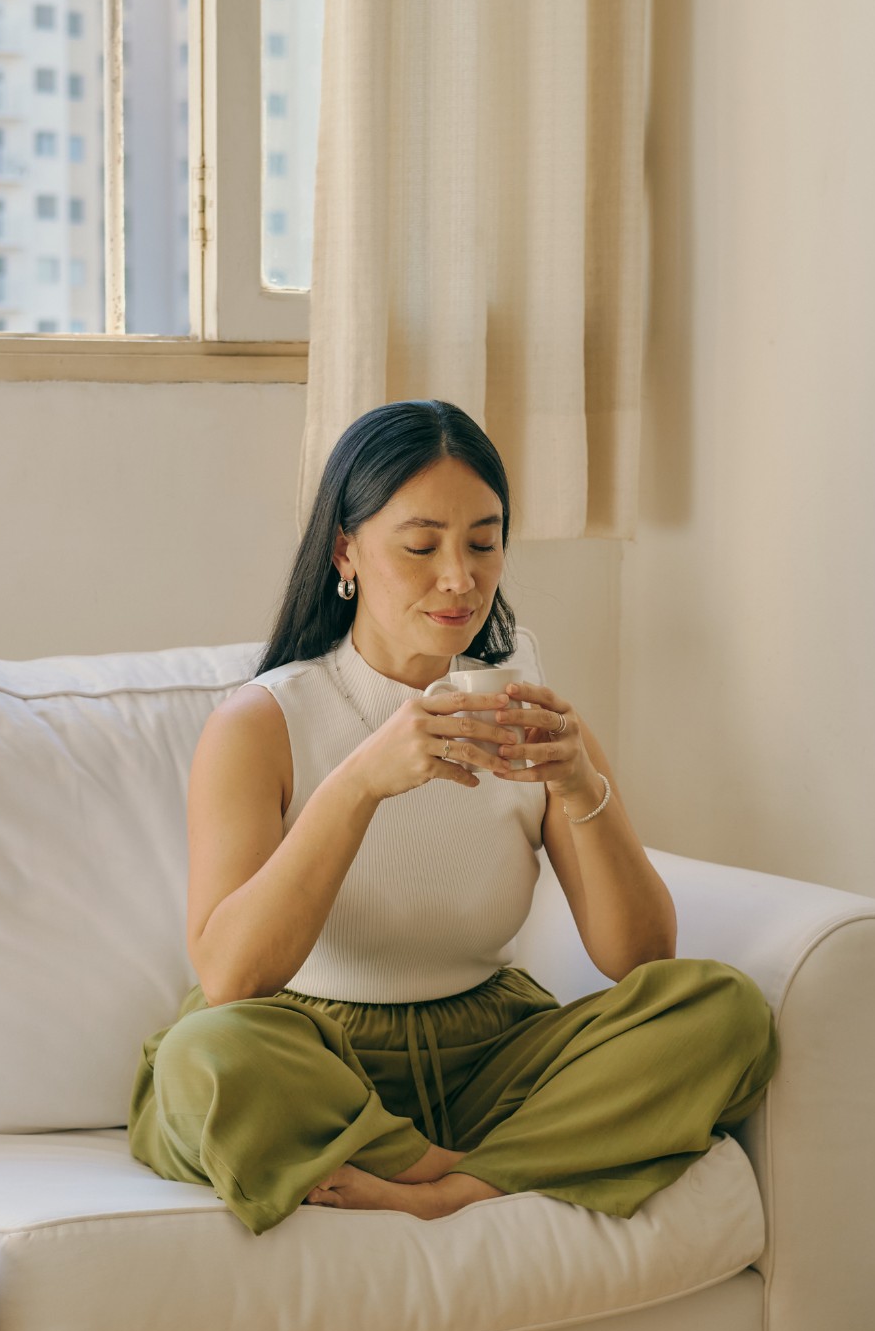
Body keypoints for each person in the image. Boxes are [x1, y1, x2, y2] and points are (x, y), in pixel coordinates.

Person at [127, 399, 780, 1233]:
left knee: (720, 1009)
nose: (460, 579)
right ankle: (486, 1169)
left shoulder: (519, 694)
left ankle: (450, 1186)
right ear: (346, 549)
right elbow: (231, 979)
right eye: (421, 545)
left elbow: (643, 959)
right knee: (206, 1060)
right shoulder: (261, 725)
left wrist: (581, 787)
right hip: (315, 1061)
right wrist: (361, 784)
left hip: (490, 1053)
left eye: (483, 542)